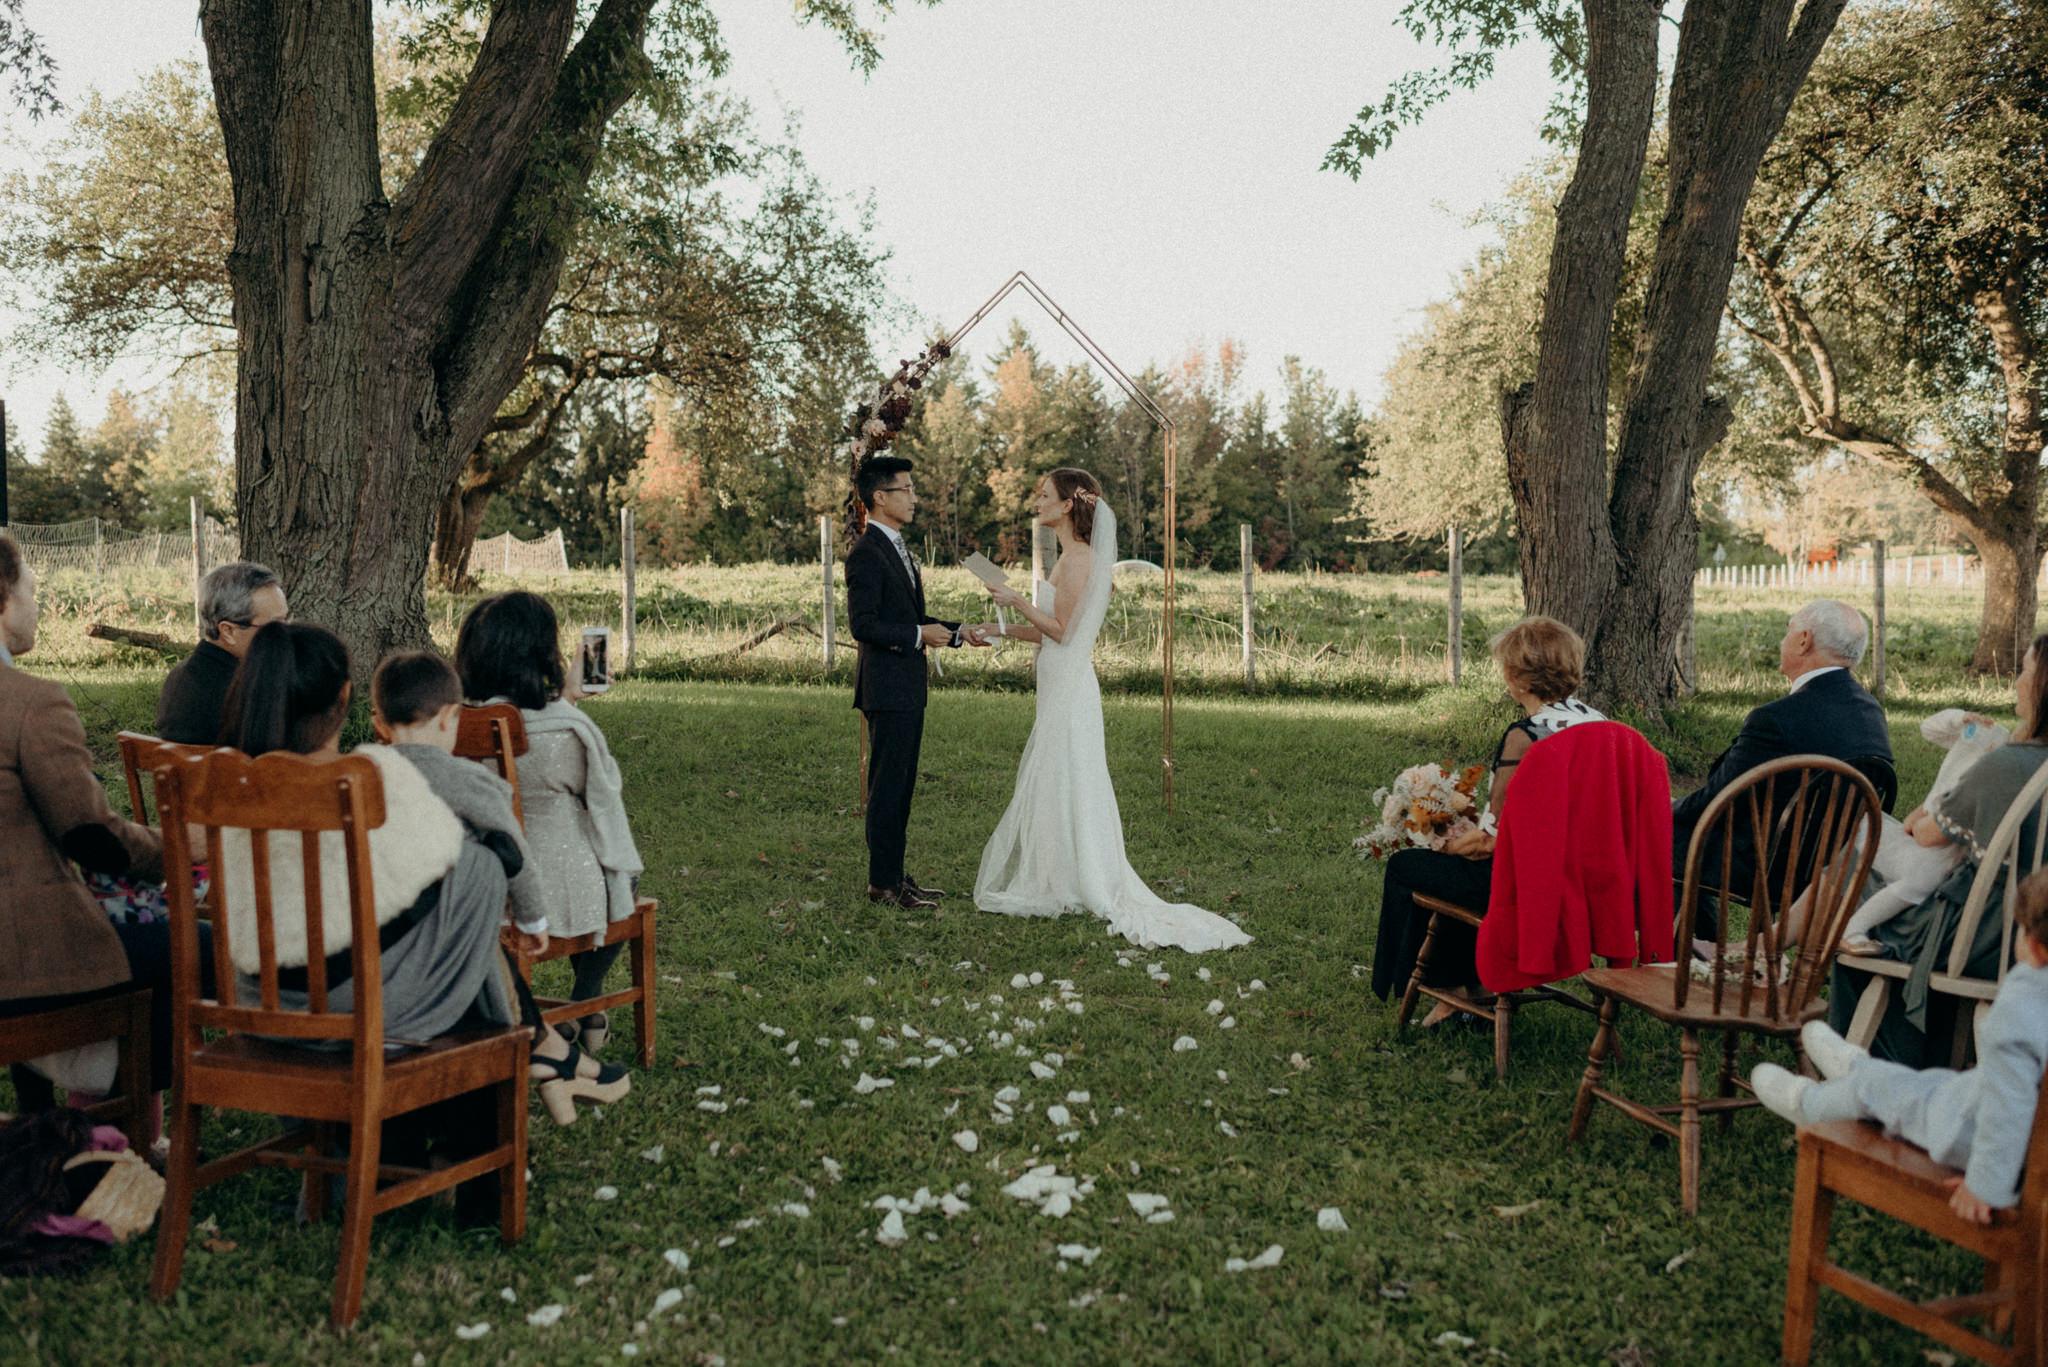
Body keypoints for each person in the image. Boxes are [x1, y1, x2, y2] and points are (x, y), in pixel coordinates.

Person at [964, 468, 1250, 953]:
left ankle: (1088, 878)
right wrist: (994, 629)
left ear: (1066, 506)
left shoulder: (1079, 561)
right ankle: (1063, 873)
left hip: (1071, 685)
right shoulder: (1068, 558)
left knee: (1074, 773)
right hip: (1058, 678)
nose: (1036, 502)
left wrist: (1014, 599)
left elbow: (1062, 631)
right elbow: (1046, 629)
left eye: (1044, 496)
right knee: (1059, 774)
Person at [368, 647, 626, 1122]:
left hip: (371, 955)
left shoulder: (355, 775)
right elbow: (515, 855)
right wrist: (532, 918)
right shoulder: (466, 779)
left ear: (378, 722)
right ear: (452, 718)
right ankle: (548, 1061)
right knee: (482, 904)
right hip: (435, 970)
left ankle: (553, 1060)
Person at [1, 529, 211, 1114]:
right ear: (2, 600)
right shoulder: (28, 701)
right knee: (196, 944)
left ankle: (51, 1120)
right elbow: (91, 839)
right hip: (25, 958)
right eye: (31, 591)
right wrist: (181, 847)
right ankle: (117, 1133)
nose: (36, 606)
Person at [1754, 865, 2048, 1226]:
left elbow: (2009, 1104)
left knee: (1881, 1093)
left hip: (1965, 1129)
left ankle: (1810, 1102)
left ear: (2033, 947)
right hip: (1973, 1098)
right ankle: (1856, 1065)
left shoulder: (2024, 1010)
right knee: (1927, 1082)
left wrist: (1987, 1186)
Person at [1367, 616, 1607, 1021]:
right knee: (1459, 871)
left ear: (1522, 681)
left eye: (1507, 670)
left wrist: (1441, 843)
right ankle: (1474, 981)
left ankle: (1450, 987)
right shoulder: (1600, 724)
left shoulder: (1527, 735)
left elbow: (1490, 843)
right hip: (1583, 878)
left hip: (1530, 886)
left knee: (1410, 867)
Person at [1830, 631, 2048, 1064]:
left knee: (1849, 887)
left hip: (1981, 934)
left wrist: (1923, 814)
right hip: (2033, 934)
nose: (2018, 681)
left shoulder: (2007, 764)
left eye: (2025, 669)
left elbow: (1929, 835)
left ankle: (1870, 1066)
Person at [455, 591, 642, 1054]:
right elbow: (602, 792)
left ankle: (577, 1009)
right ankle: (585, 998)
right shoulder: (563, 728)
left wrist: (567, 696)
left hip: (481, 877)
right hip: (556, 880)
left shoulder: (451, 720)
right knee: (626, 875)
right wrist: (569, 703)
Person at [1671, 600, 1892, 941]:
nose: (1782, 641)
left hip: (1769, 866)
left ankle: (1684, 960)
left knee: (1656, 835)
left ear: (1804, 640)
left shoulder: (1774, 719)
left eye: (1787, 631)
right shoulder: (1871, 711)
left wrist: (1666, 807)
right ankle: (1708, 951)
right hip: (1833, 867)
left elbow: (1718, 800)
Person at [843, 456, 987, 910]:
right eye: (906, 489)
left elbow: (909, 618)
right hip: (886, 688)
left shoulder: (898, 547)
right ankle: (882, 885)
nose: (914, 497)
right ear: (880, 497)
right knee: (887, 788)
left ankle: (895, 876)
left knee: (902, 786)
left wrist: (959, 631)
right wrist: (917, 636)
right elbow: (862, 625)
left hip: (907, 686)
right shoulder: (866, 553)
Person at [155, 561, 288, 744]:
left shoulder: (179, 675)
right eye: (275, 626)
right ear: (228, 631)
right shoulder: (249, 694)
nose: (286, 633)